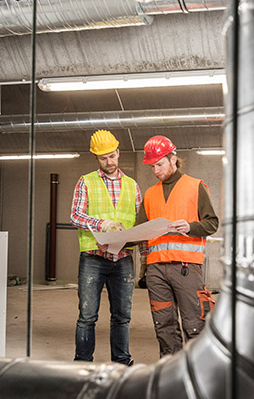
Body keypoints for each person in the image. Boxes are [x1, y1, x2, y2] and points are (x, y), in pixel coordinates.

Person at [136, 135, 219, 357]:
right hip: (156, 271)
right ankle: (171, 375)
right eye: (152, 166)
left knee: (195, 324)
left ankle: (199, 375)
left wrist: (190, 226)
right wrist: (116, 239)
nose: (156, 170)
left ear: (173, 159)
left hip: (187, 268)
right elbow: (139, 229)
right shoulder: (151, 194)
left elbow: (212, 224)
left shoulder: (195, 186)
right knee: (164, 327)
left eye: (160, 164)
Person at [70, 129, 141, 365]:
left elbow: (140, 222)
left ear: (118, 152)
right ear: (96, 158)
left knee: (122, 316)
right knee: (87, 316)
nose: (109, 162)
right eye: (103, 158)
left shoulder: (132, 185)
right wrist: (102, 223)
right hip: (93, 258)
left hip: (123, 259)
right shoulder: (86, 181)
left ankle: (121, 361)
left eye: (112, 156)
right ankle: (82, 363)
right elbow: (75, 216)